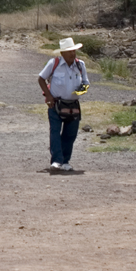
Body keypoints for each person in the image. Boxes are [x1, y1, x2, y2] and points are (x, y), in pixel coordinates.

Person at [38, 37, 89, 172]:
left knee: (70, 134)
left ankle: (65, 161)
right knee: (55, 132)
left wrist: (83, 90)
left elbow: (86, 83)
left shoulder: (80, 65)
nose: (72, 54)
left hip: (73, 105)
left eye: (73, 51)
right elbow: (41, 79)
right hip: (55, 104)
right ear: (62, 53)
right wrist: (48, 96)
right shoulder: (53, 64)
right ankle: (56, 161)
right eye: (69, 51)